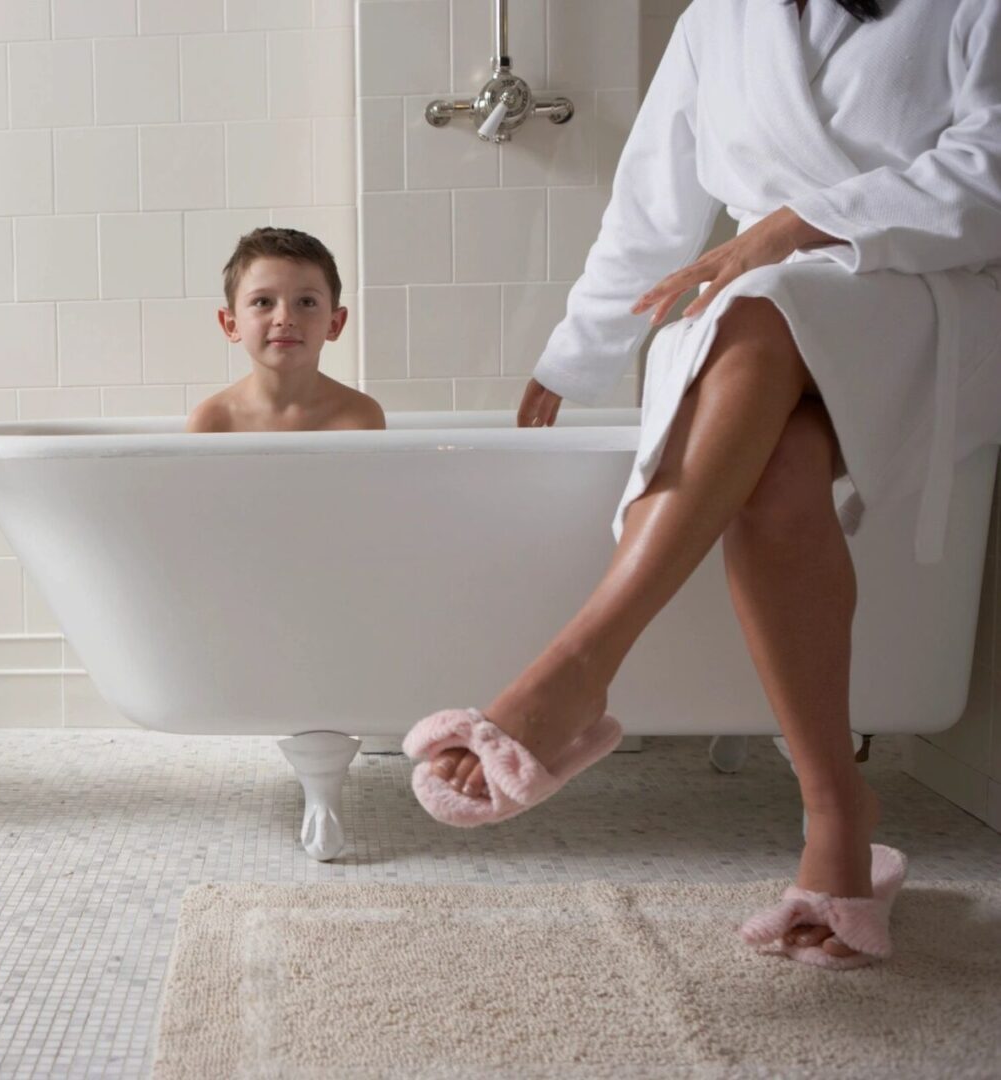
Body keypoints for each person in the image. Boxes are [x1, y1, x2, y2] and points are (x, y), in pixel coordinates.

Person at [404, 0, 1001, 970]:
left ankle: (576, 668)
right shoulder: (720, 18)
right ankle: (838, 816)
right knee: (774, 470)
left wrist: (791, 228)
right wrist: (576, 353)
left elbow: (992, 167)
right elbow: (652, 204)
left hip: (927, 303)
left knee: (761, 299)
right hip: (756, 328)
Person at [187, 227, 384, 433]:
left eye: (306, 302)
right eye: (263, 301)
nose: (284, 319)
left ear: (334, 324)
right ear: (231, 324)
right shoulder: (212, 422)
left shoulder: (360, 416)